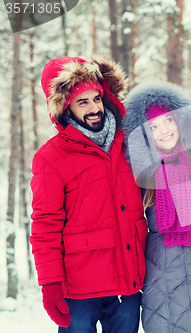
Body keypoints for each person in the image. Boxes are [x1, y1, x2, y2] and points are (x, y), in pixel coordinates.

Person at [30, 56, 148, 332]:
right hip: (79, 292)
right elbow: (45, 224)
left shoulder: (129, 143)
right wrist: (50, 284)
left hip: (129, 285)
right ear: (65, 108)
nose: (94, 108)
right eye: (83, 102)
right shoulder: (51, 157)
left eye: (97, 98)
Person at [123, 81, 191, 333]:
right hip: (162, 283)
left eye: (168, 120)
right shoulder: (140, 173)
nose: (163, 130)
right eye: (153, 126)